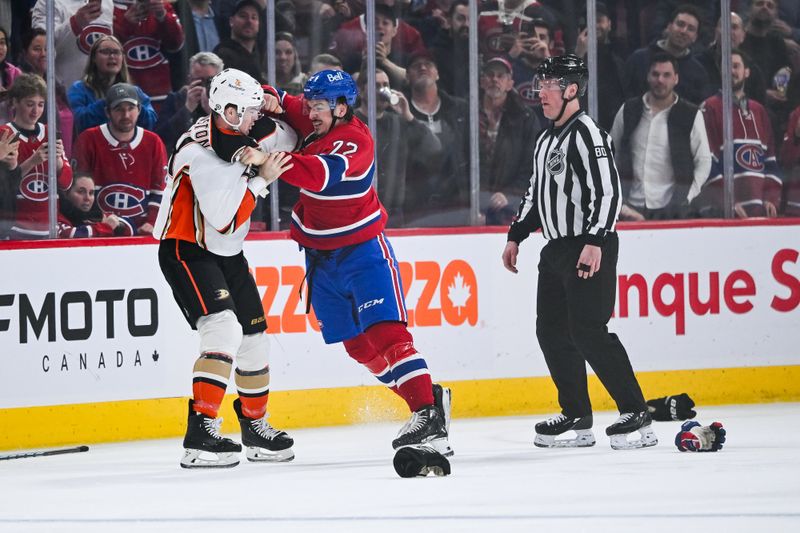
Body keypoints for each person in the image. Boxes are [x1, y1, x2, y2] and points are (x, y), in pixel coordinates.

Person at [261, 70, 453, 458]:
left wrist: (265, 158)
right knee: (357, 346)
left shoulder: (355, 140)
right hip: (321, 260)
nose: (311, 112)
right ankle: (427, 398)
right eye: (311, 104)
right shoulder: (317, 115)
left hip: (363, 252)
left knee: (386, 335)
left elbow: (317, 175)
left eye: (319, 106)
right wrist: (265, 97)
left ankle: (427, 414)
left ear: (341, 106)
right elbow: (280, 99)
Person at [501, 55, 657, 451]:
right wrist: (516, 234)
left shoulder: (588, 134)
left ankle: (635, 410)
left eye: (550, 85)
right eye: (541, 85)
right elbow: (535, 194)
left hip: (588, 246)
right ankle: (576, 414)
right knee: (551, 330)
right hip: (554, 250)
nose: (541, 93)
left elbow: (608, 191)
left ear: (572, 89)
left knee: (588, 331)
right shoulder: (545, 138)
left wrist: (596, 240)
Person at [152, 68, 297, 468]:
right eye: (249, 111)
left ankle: (254, 426)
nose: (255, 118)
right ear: (228, 111)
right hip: (187, 248)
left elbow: (290, 135)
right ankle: (200, 433)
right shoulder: (201, 154)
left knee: (255, 336)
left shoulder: (239, 133)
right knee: (224, 328)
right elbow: (224, 219)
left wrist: (276, 98)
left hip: (225, 252)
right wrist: (262, 178)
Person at [610, 54, 711, 220]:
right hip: (630, 206)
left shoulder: (691, 115)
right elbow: (611, 153)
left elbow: (704, 161)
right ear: (648, 77)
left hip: (671, 209)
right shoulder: (629, 110)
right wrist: (617, 198)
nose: (660, 80)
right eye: (655, 74)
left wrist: (687, 195)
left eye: (666, 75)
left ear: (676, 79)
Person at [694, 50, 783, 218]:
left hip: (759, 211)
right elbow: (705, 161)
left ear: (747, 72)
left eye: (736, 66)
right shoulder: (709, 108)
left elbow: (770, 160)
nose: (731, 71)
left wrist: (771, 198)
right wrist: (727, 202)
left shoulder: (759, 111)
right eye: (726, 66)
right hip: (721, 212)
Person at [73, 83, 168, 236]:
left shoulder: (153, 142)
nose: (126, 115)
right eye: (119, 109)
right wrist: (100, 222)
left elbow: (160, 190)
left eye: (131, 108)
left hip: (142, 231)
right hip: (101, 229)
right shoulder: (88, 140)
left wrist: (152, 222)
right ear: (107, 112)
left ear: (139, 110)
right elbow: (77, 191)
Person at [354, 67, 441, 227]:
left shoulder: (398, 122)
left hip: (394, 215)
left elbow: (434, 148)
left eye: (385, 85)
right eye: (376, 85)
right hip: (359, 213)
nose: (382, 90)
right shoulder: (351, 123)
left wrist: (408, 115)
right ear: (361, 91)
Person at [0, 73, 73, 240]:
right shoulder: (4, 135)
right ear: (15, 103)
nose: (36, 111)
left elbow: (67, 184)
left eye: (40, 105)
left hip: (50, 231)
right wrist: (33, 162)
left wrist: (59, 163)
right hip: (14, 231)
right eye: (30, 104)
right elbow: (5, 188)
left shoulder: (51, 133)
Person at [479, 57, 542, 225]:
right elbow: (460, 161)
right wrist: (474, 199)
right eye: (490, 75)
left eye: (501, 76)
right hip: (473, 207)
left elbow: (532, 165)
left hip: (511, 209)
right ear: (482, 82)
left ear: (510, 83)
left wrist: (509, 195)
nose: (495, 79)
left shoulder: (525, 118)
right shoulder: (467, 115)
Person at [68, 34, 157, 135]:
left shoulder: (134, 91)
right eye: (105, 52)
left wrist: (132, 104)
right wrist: (110, 99)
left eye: (116, 52)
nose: (112, 56)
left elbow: (151, 121)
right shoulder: (79, 89)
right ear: (93, 58)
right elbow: (76, 121)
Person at [623, 4, 710, 104]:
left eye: (690, 29)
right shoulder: (638, 59)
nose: (683, 31)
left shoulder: (698, 72)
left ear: (695, 37)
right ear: (669, 27)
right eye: (680, 24)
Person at [113, 0, 186, 111]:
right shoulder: (108, 7)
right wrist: (125, 23)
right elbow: (103, 49)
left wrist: (163, 16)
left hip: (161, 95)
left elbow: (176, 44)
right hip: (123, 94)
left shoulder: (162, 6)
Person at [31, 0, 113, 89]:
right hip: (64, 94)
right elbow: (44, 49)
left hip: (102, 91)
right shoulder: (47, 3)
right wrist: (75, 23)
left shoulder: (107, 2)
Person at [155, 51, 224, 153]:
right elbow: (160, 138)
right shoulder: (175, 99)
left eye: (210, 81)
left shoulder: (228, 102)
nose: (204, 86)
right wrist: (187, 109)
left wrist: (213, 113)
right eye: (199, 80)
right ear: (189, 79)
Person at [59, 172, 128, 238]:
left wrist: (118, 227)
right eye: (81, 192)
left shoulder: (97, 215)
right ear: (66, 194)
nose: (87, 198)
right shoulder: (56, 216)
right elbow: (69, 234)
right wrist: (105, 227)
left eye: (91, 193)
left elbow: (129, 225)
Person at [213, 0, 266, 83]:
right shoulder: (222, 54)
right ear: (231, 21)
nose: (249, 21)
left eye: (254, 17)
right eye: (243, 16)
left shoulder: (261, 56)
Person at [0, 26, 22, 125]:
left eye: (2, 43)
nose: (0, 47)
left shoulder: (15, 72)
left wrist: (11, 97)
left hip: (10, 132)